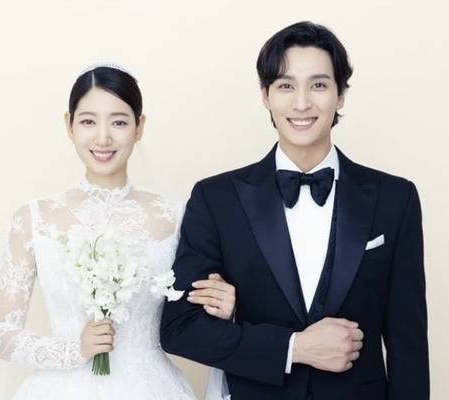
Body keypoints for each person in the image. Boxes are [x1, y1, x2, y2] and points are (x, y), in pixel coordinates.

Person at [161, 21, 429, 399]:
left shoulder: (395, 199)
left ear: (340, 95)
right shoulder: (215, 199)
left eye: (318, 85)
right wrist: (293, 348)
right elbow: (181, 329)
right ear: (265, 95)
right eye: (286, 86)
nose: (302, 103)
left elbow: (408, 344)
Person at [0, 64, 237, 399]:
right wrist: (74, 350)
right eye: (88, 121)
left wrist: (224, 308)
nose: (103, 138)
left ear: (139, 127)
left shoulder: (176, 217)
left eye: (118, 122)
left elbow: (192, 318)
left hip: (152, 388)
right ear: (69, 125)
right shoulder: (33, 219)